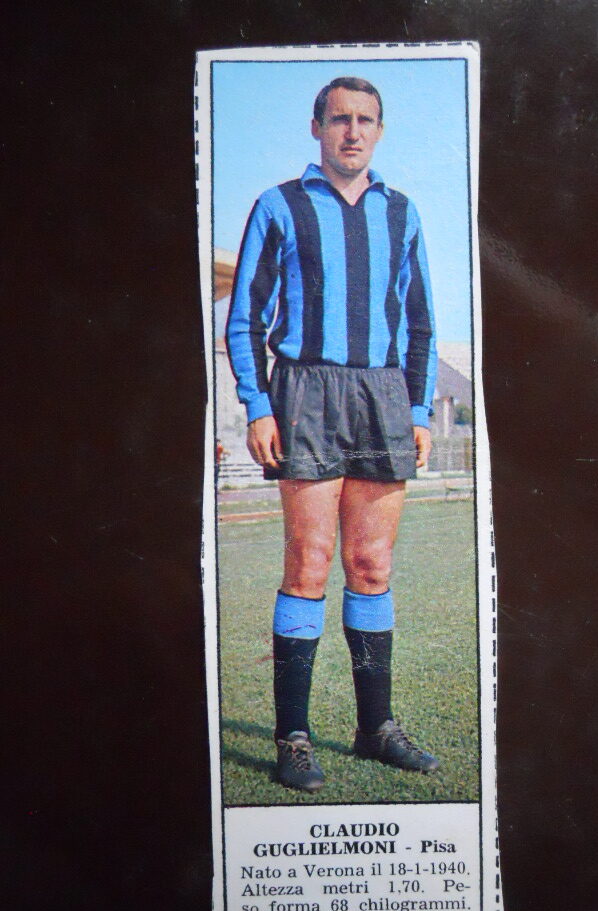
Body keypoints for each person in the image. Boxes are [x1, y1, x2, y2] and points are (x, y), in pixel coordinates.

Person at [226, 76, 439, 792]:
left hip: (382, 394)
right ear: (316, 127)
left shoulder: (402, 212)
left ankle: (375, 728)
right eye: (340, 119)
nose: (353, 131)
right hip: (306, 393)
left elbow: (420, 323)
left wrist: (418, 410)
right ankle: (292, 734)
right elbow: (244, 318)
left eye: (365, 120)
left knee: (371, 564)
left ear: (379, 130)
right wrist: (258, 405)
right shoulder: (278, 205)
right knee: (311, 562)